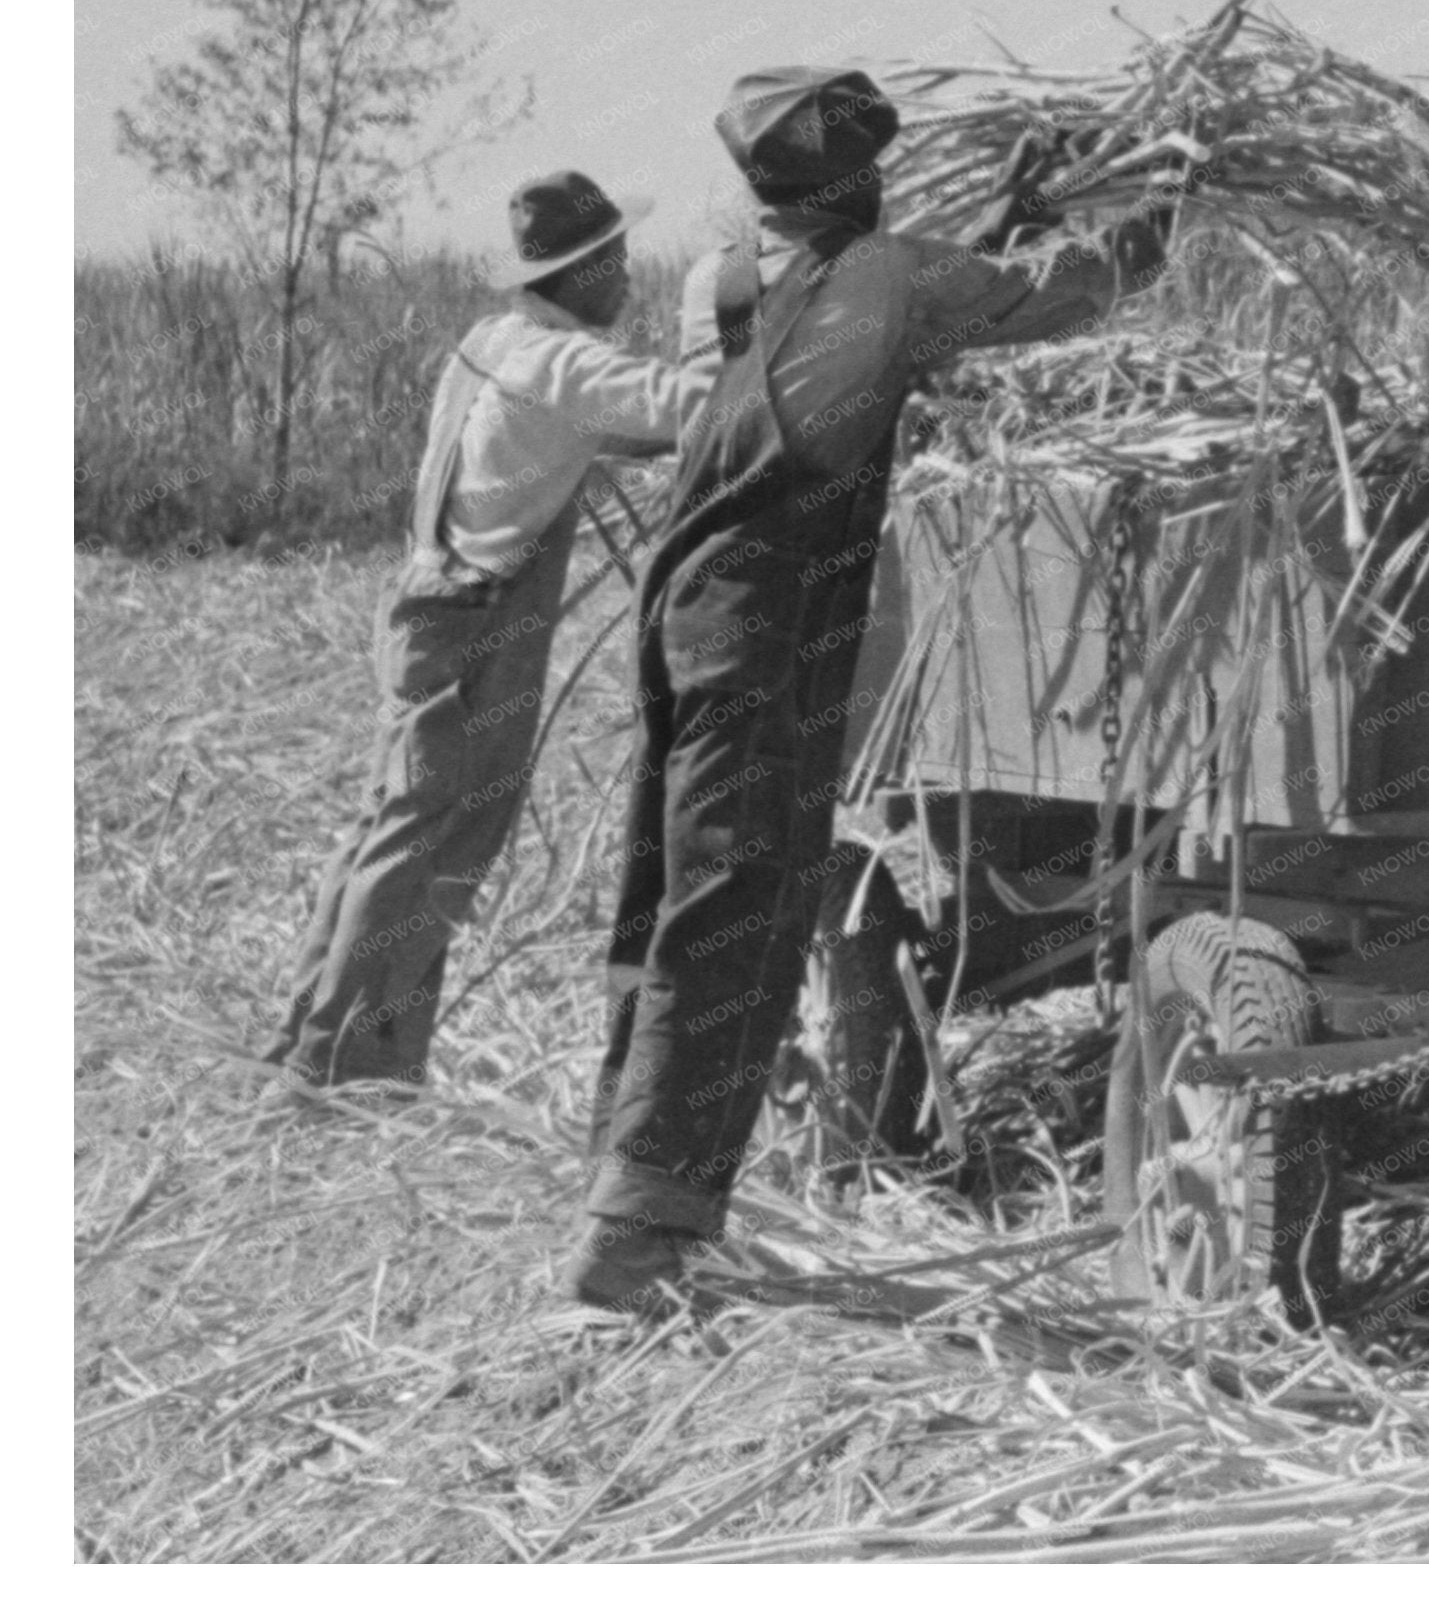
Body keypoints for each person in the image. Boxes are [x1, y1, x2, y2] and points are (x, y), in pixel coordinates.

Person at [564, 69, 1167, 1312]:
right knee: (734, 910)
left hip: (684, 608)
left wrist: (1003, 214)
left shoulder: (729, 278)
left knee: (668, 893)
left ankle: (615, 1171)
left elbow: (879, 311)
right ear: (862, 177)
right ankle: (636, 1234)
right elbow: (1046, 299)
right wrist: (1158, 212)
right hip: (770, 630)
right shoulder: (896, 276)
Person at [267, 173, 713, 1100]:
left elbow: (607, 429)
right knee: (429, 842)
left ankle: (326, 1043)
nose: (627, 275)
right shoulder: (566, 364)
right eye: (615, 261)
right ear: (578, 272)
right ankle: (337, 1067)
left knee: (388, 829)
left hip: (427, 606)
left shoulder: (495, 342)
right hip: (480, 621)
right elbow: (695, 407)